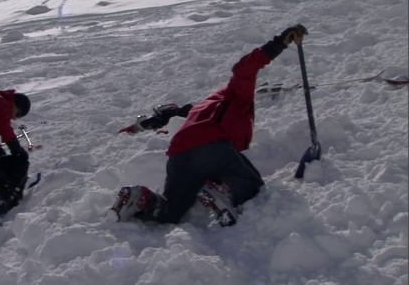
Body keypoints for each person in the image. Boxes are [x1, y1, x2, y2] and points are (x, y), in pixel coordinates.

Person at [111, 25, 308, 227]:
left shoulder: (205, 108)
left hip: (180, 155)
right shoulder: (236, 93)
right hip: (211, 145)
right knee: (250, 184)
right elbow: (243, 69)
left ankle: (139, 199)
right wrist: (278, 44)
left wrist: (158, 118)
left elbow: (182, 112)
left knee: (171, 212)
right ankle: (222, 192)